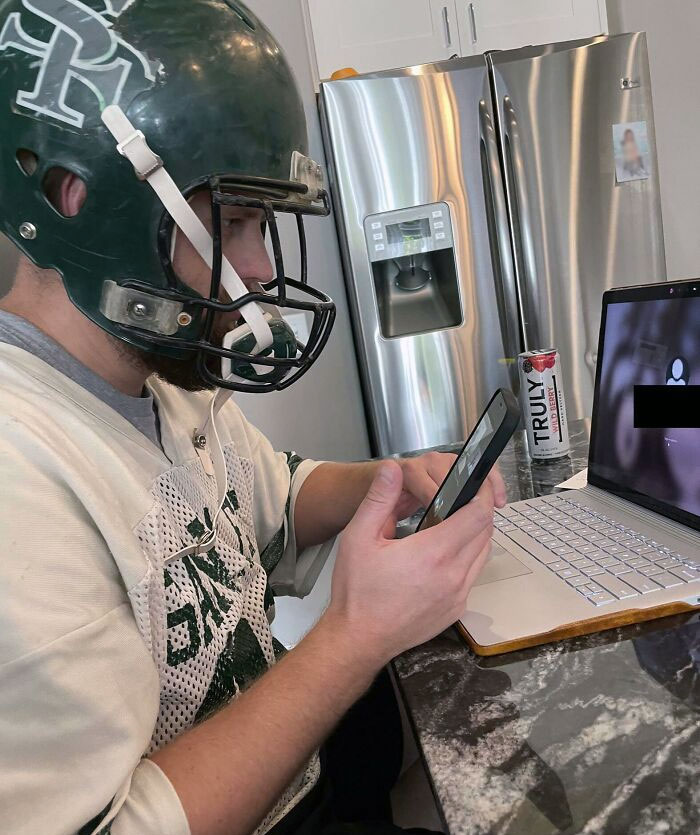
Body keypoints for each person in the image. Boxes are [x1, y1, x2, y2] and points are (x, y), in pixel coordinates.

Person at [0, 1, 505, 833]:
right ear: (82, 199)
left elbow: (272, 497)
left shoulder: (167, 378)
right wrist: (355, 635)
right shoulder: (23, 476)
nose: (263, 266)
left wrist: (394, 480)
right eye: (235, 222)